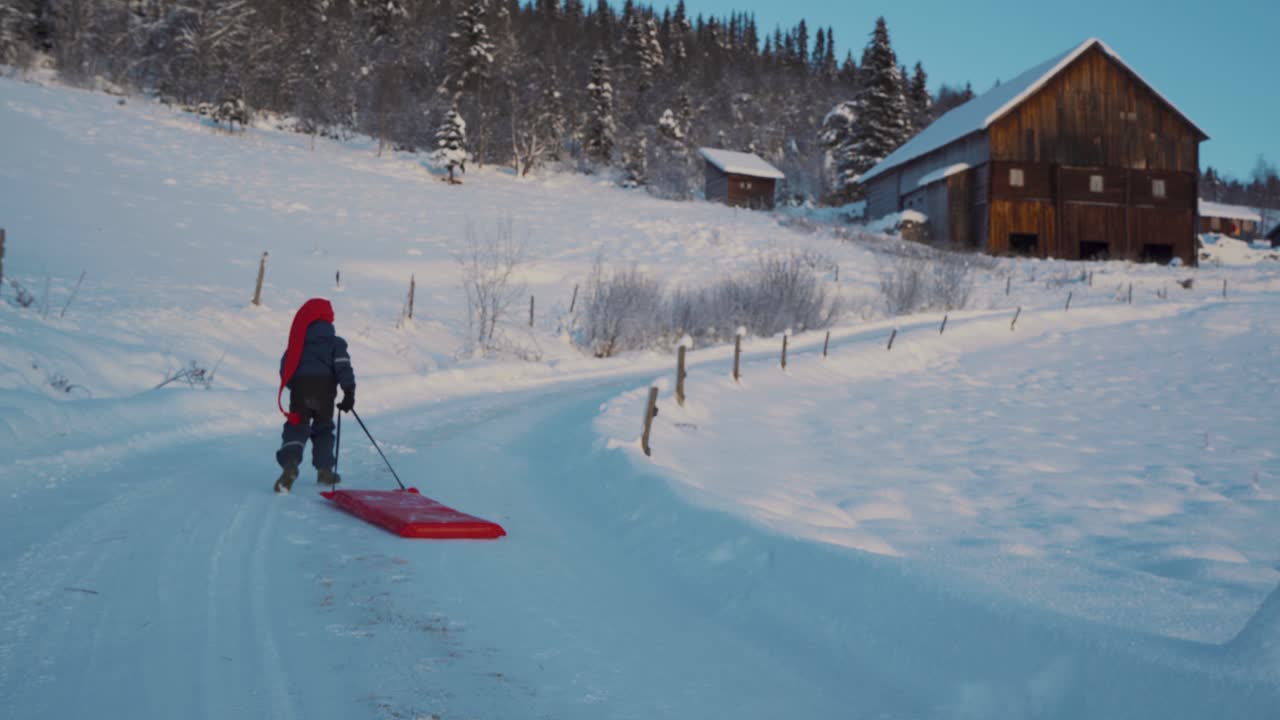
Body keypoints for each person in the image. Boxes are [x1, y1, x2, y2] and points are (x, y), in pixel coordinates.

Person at [274, 298, 356, 493]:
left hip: (301, 389)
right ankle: (324, 470)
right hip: (325, 390)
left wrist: (295, 387)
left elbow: (285, 367)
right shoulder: (336, 343)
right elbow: (343, 366)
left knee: (297, 427)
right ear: (329, 319)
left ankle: (290, 463)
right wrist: (349, 392)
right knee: (323, 429)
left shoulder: (298, 342)